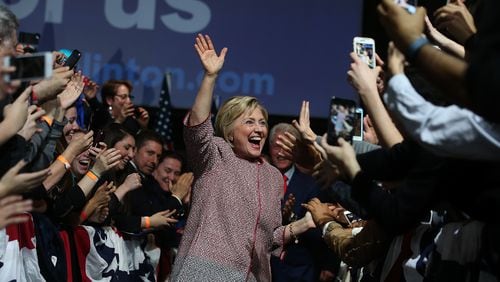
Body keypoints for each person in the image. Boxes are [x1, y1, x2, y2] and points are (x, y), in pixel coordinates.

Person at [170, 34, 315, 281]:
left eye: (262, 122)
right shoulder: (214, 155)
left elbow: (268, 239)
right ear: (228, 131)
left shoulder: (272, 176)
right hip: (205, 273)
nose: (259, 129)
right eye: (249, 122)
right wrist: (210, 76)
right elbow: (197, 128)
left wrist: (303, 224)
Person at [268, 123, 337, 282]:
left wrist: (330, 265)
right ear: (269, 147)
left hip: (299, 270)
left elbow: (329, 221)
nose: (281, 153)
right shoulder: (257, 178)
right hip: (262, 267)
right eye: (277, 146)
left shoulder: (313, 183)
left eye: (287, 147)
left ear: (297, 151)